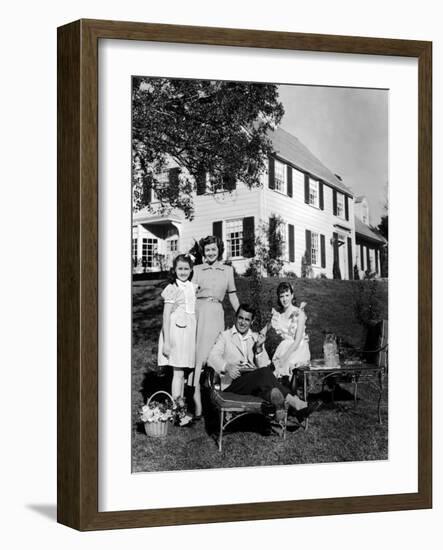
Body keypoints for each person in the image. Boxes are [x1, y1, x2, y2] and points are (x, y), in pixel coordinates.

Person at [207, 304, 310, 416]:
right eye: (240, 318)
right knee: (264, 373)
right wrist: (227, 366)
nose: (243, 322)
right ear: (235, 317)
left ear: (251, 321)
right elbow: (212, 357)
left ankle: (282, 406)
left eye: (247, 320)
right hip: (233, 383)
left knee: (269, 389)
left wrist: (259, 349)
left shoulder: (256, 337)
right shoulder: (225, 336)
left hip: (253, 383)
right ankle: (294, 403)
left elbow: (264, 365)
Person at [190, 235, 240, 418]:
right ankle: (197, 406)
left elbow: (232, 295)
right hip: (199, 314)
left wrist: (242, 314)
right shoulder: (196, 269)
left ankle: (223, 404)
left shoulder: (227, 270)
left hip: (217, 314)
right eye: (207, 249)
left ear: (219, 250)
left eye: (213, 249)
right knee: (199, 360)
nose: (210, 252)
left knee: (218, 358)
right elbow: (189, 295)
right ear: (203, 252)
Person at [158, 254, 197, 403]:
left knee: (182, 372)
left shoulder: (193, 287)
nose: (183, 272)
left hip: (188, 333)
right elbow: (166, 316)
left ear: (191, 269)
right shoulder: (172, 288)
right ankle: (177, 407)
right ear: (174, 270)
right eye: (180, 268)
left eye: (186, 268)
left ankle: (180, 404)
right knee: (178, 371)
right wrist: (167, 342)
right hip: (176, 333)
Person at [271, 282, 311, 380]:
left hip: (298, 348)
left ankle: (293, 390)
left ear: (292, 296)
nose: (285, 299)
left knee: (288, 366)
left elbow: (297, 340)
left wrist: (285, 357)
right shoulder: (279, 316)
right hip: (285, 347)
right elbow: (267, 326)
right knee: (277, 370)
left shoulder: (299, 313)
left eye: (287, 295)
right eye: (282, 296)